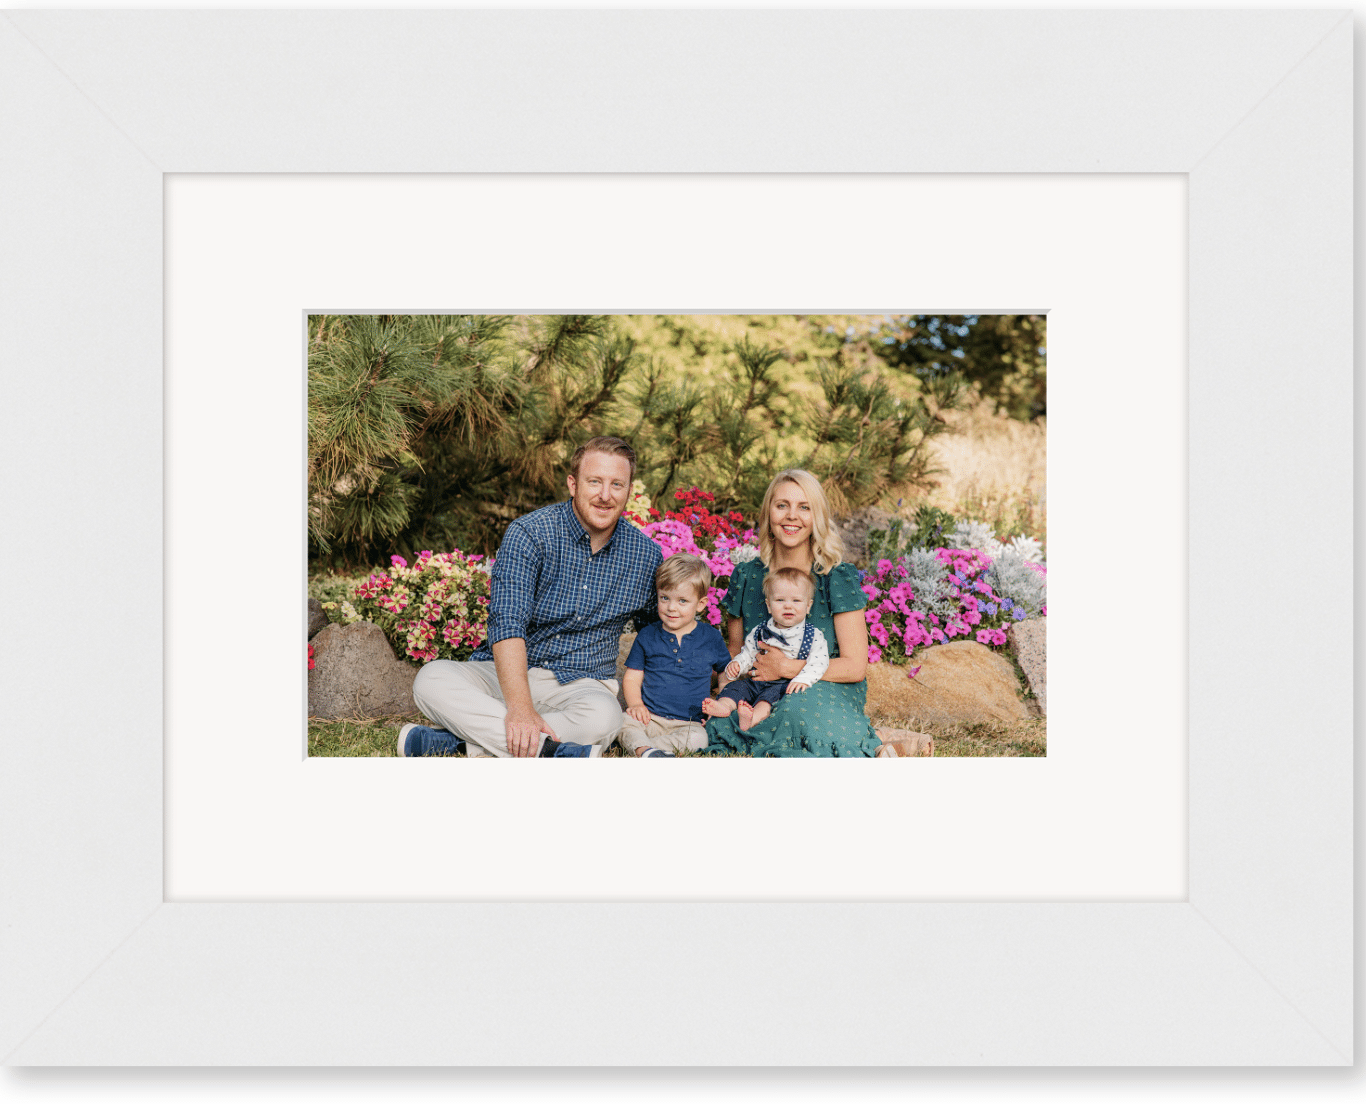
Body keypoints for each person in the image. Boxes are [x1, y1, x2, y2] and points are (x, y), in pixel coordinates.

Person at [397, 436, 661, 758]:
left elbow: (656, 635)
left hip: (581, 685)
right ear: (573, 484)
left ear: (629, 490)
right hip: (504, 676)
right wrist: (520, 708)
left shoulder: (646, 556)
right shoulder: (530, 533)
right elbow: (507, 622)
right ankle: (551, 752)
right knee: (431, 680)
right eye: (594, 482)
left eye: (617, 484)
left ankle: (464, 744)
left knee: (604, 717)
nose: (605, 496)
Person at [704, 469, 881, 757]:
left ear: (817, 517)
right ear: (768, 512)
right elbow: (736, 654)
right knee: (725, 719)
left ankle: (859, 735)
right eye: (782, 505)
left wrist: (787, 669)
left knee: (797, 711)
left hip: (824, 684)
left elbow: (853, 667)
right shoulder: (746, 577)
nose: (791, 516)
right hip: (760, 688)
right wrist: (726, 681)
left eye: (804, 507)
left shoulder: (836, 577)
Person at [618, 553, 735, 758]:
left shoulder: (711, 637)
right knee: (622, 721)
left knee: (700, 739)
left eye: (682, 601)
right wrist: (636, 705)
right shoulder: (648, 635)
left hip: (688, 723)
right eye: (665, 598)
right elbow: (632, 677)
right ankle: (649, 750)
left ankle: (646, 749)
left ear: (700, 604)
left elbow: (725, 676)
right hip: (650, 718)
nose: (672, 608)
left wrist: (721, 705)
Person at [702, 566, 829, 732]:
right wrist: (739, 664)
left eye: (796, 601)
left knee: (767, 701)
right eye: (780, 600)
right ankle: (723, 706)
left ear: (808, 606)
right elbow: (748, 653)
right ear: (769, 606)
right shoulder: (760, 630)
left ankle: (752, 719)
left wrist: (803, 679)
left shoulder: (813, 635)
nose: (788, 606)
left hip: (784, 685)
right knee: (736, 688)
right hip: (756, 680)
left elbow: (819, 662)